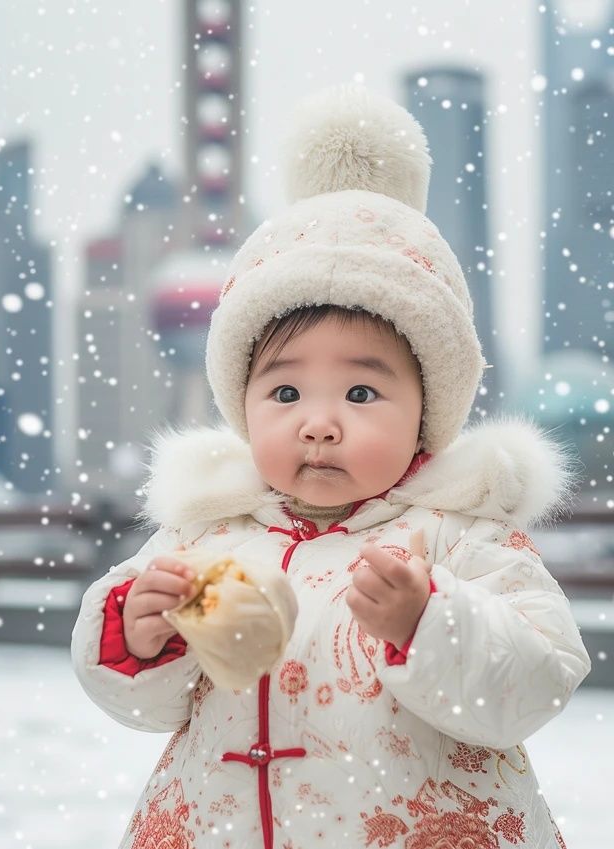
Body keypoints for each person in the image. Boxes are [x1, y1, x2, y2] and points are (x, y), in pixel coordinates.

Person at [71, 83, 591, 849]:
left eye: (360, 390)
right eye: (284, 389)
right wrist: (137, 633)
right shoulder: (205, 535)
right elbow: (148, 705)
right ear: (241, 404)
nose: (318, 421)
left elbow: (538, 677)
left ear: (426, 410)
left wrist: (429, 620)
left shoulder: (458, 536)